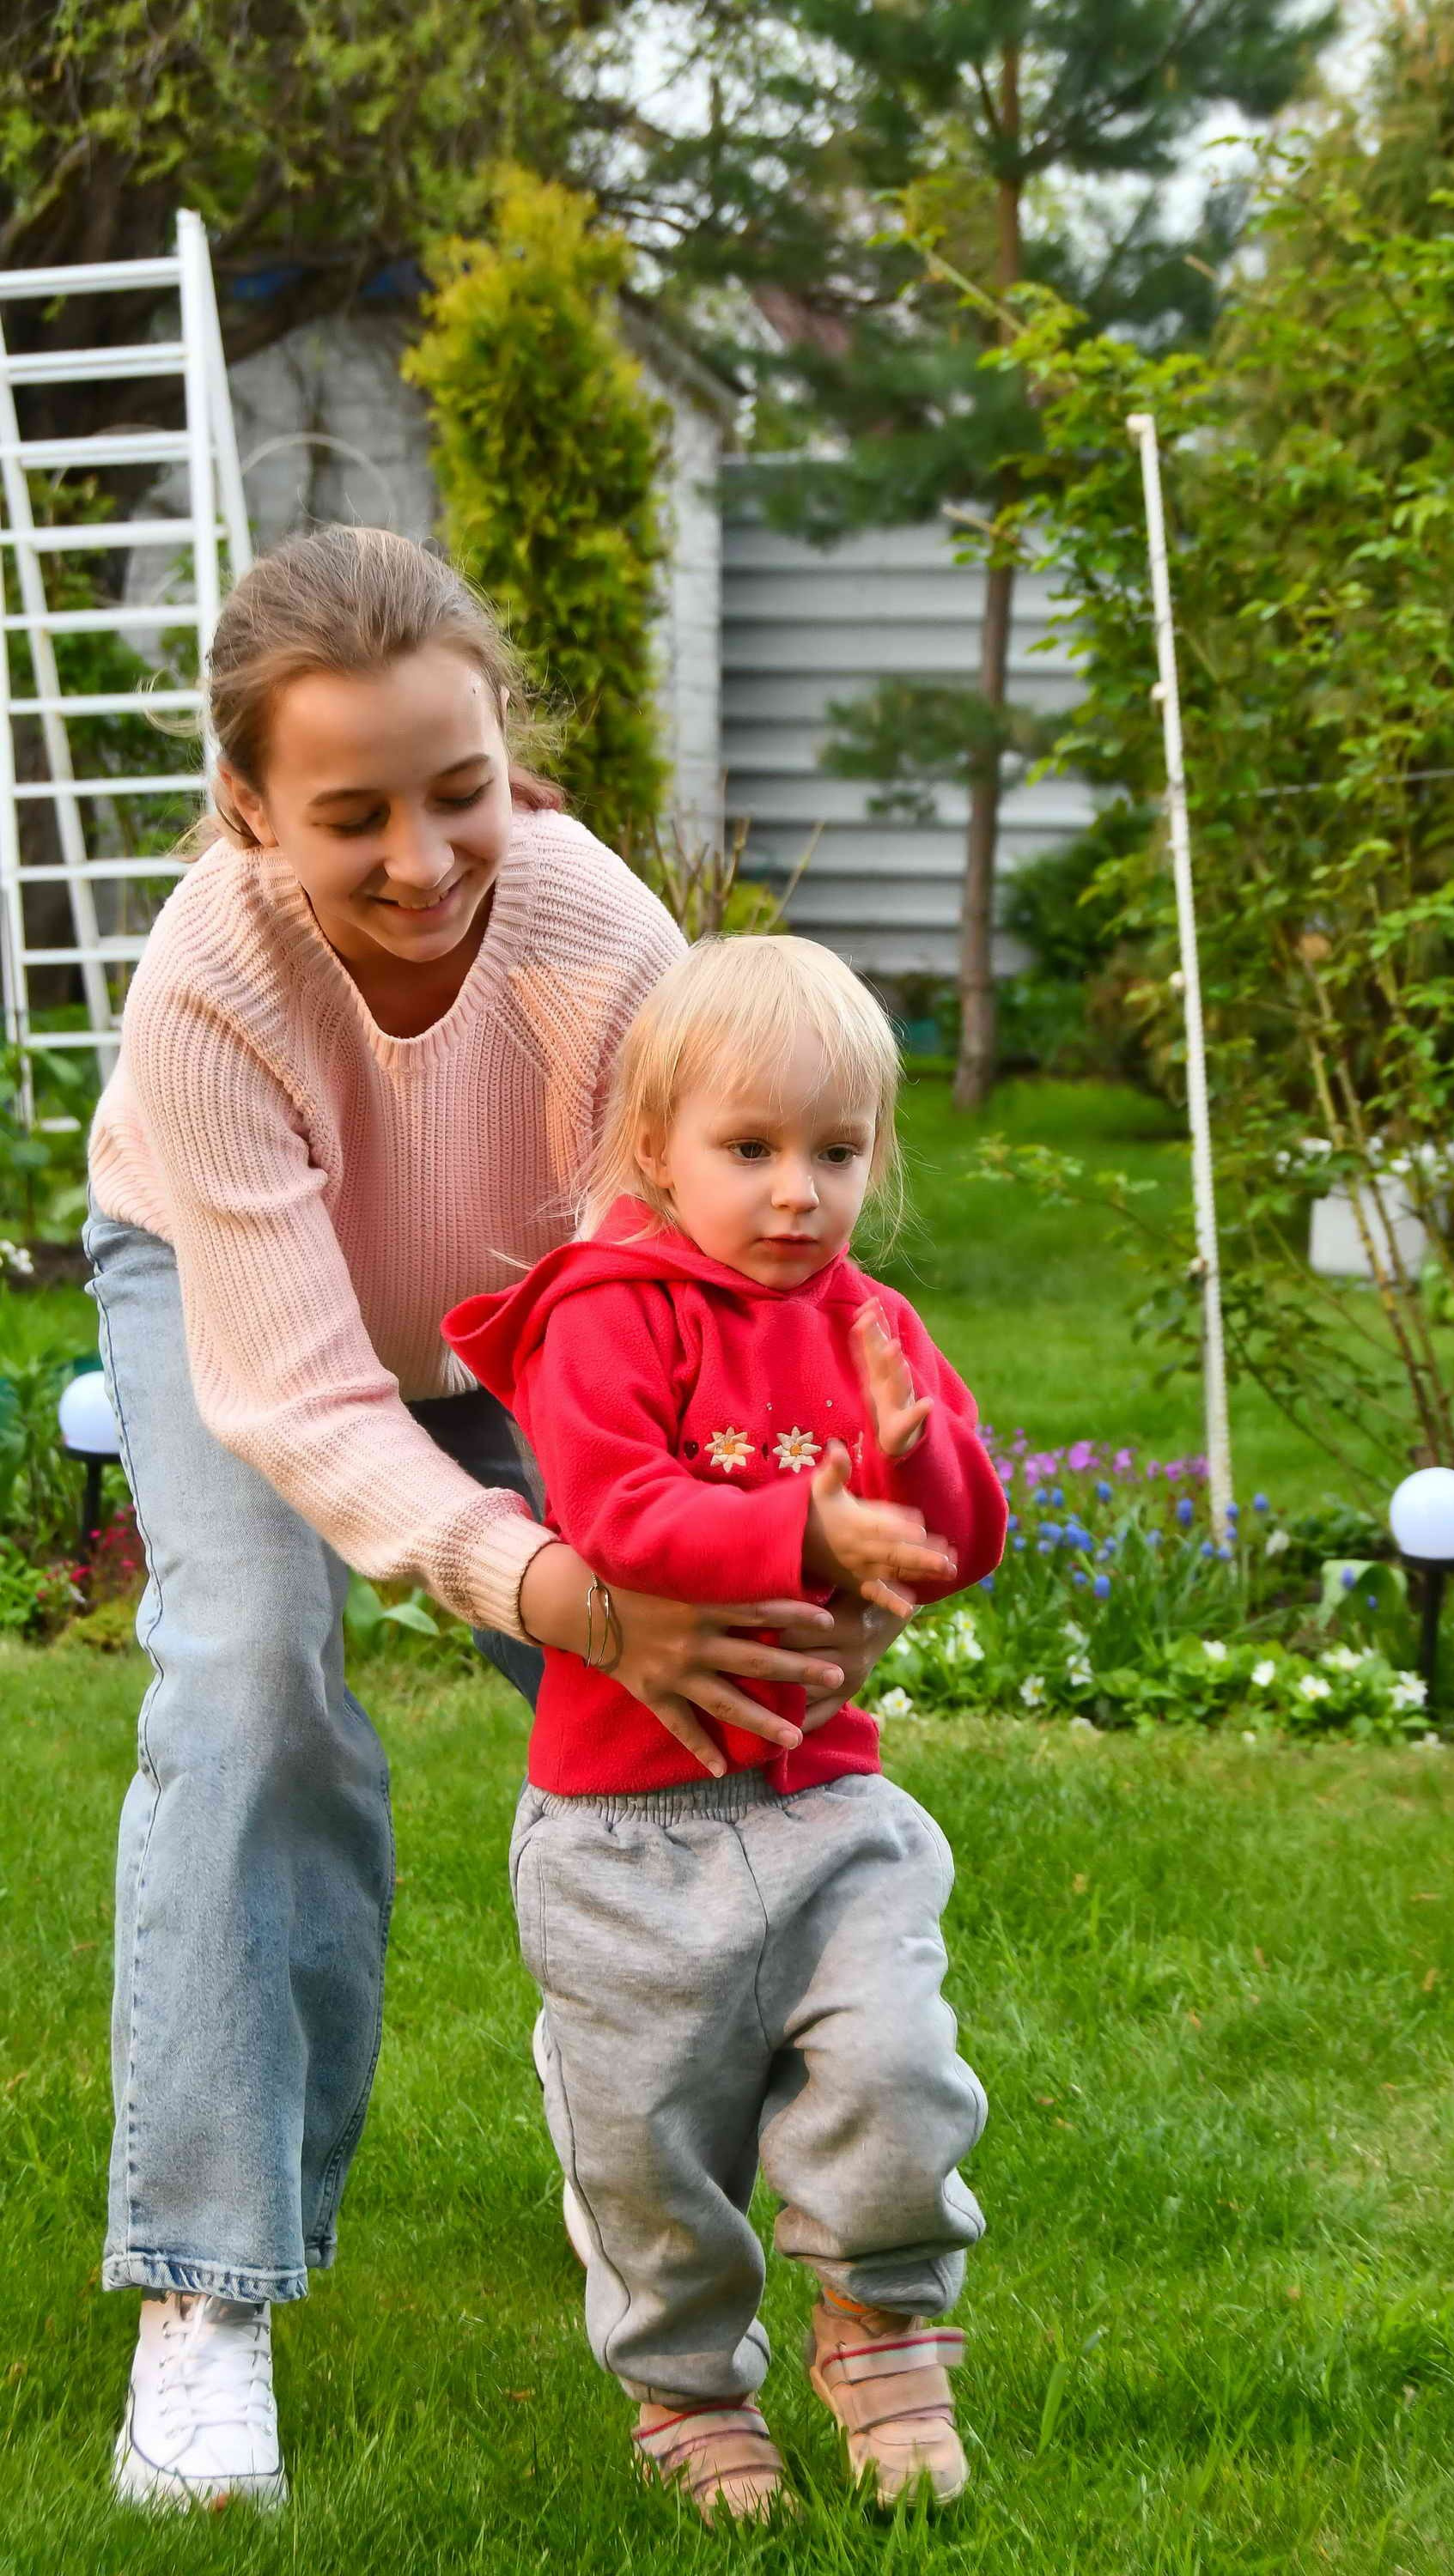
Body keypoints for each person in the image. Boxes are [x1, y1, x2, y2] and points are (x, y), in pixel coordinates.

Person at [85, 527, 896, 2512]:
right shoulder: (210, 983)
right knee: (254, 1686)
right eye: (350, 815)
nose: (424, 860)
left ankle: (683, 2136)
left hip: (535, 1302)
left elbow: (676, 1287)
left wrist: (746, 1553)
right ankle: (206, 2292)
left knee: (716, 1691)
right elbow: (291, 1390)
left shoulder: (595, 937)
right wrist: (535, 1577)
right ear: (247, 810)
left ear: (511, 766)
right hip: (230, 1295)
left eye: (458, 795)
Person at [442, 933, 1008, 2521]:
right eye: (748, 1150)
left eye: (834, 1155)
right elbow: (620, 1516)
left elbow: (964, 1535)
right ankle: (688, 2389)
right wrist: (816, 1531)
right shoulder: (605, 1312)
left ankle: (882, 2322)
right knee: (650, 2150)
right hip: (628, 1830)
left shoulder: (869, 1323)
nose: (794, 1196)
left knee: (898, 2074)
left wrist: (921, 1467)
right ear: (653, 1152)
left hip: (828, 1807)